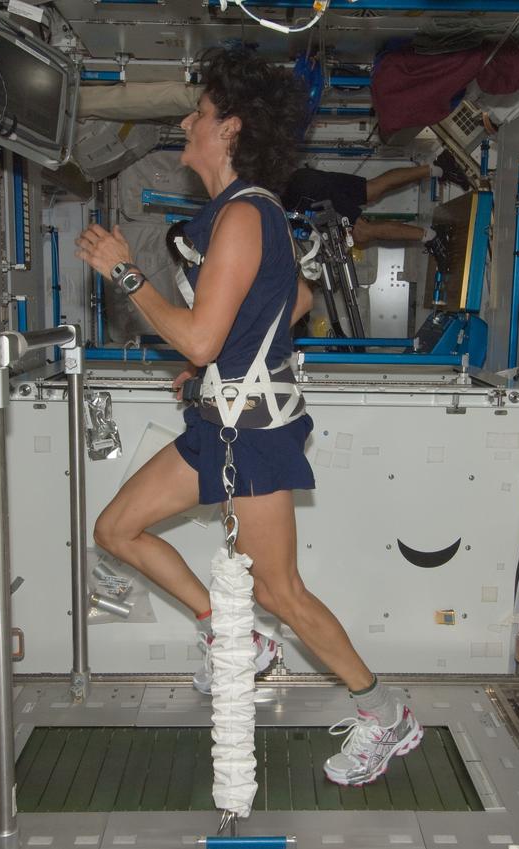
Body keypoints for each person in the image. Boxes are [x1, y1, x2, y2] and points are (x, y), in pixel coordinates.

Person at [72, 45, 422, 787]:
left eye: (199, 114)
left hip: (252, 435)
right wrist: (217, 369)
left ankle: (384, 713)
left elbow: (201, 334)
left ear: (229, 128)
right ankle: (235, 638)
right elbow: (294, 301)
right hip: (221, 420)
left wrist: (124, 272)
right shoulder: (246, 212)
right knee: (116, 529)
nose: (187, 124)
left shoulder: (240, 215)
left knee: (278, 591)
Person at [280, 150, 472, 248]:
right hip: (301, 181)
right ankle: (440, 168)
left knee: (361, 232)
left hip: (303, 196)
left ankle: (433, 237)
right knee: (370, 189)